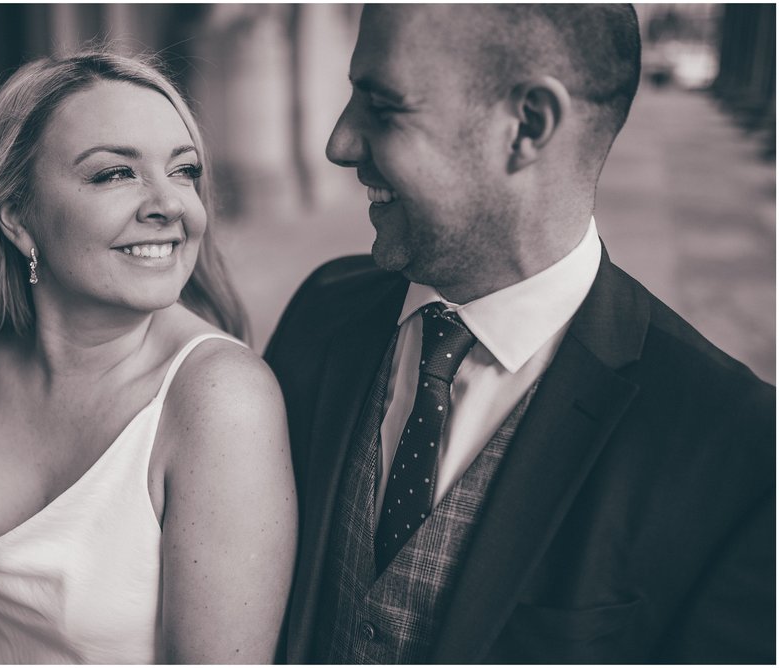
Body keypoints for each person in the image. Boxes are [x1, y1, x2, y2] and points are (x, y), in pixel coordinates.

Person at [265, 4, 775, 664]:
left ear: (527, 126)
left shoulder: (738, 449)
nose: (339, 142)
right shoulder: (322, 311)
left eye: (382, 106)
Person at [0, 48, 296, 664]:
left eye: (184, 171)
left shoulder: (220, 402)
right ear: (18, 217)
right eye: (115, 174)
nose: (170, 204)